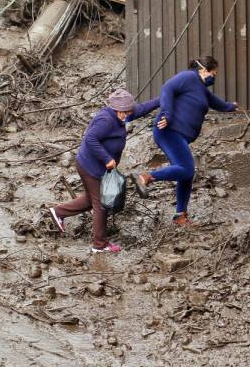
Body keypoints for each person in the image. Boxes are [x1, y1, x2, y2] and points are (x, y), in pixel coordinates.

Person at [48, 89, 159, 253]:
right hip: (90, 166)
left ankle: (58, 212)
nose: (127, 115)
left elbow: (142, 108)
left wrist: (162, 99)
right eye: (124, 112)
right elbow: (90, 139)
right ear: (116, 109)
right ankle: (99, 245)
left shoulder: (124, 113)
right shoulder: (106, 120)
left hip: (93, 166)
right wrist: (107, 158)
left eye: (129, 112)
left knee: (90, 199)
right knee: (101, 204)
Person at [133, 56, 237, 226]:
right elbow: (167, 88)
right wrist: (166, 113)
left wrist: (230, 107)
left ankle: (180, 216)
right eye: (214, 73)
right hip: (169, 131)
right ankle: (146, 177)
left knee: (185, 174)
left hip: (179, 135)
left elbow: (216, 103)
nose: (214, 77)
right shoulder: (189, 77)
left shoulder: (201, 89)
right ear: (203, 69)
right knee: (187, 168)